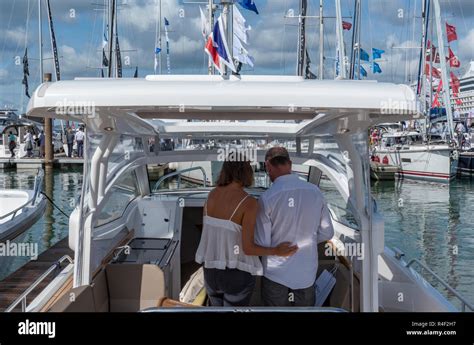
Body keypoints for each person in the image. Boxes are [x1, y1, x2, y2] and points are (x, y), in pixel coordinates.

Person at [195, 157, 297, 307]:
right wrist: (277, 250)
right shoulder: (248, 202)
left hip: (210, 272)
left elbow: (210, 236)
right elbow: (248, 249)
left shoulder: (211, 195)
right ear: (245, 172)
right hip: (236, 274)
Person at [255, 147, 335, 307]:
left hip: (275, 273)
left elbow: (262, 242)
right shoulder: (315, 192)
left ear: (268, 165)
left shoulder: (266, 198)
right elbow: (328, 232)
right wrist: (307, 240)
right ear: (290, 164)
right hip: (306, 273)